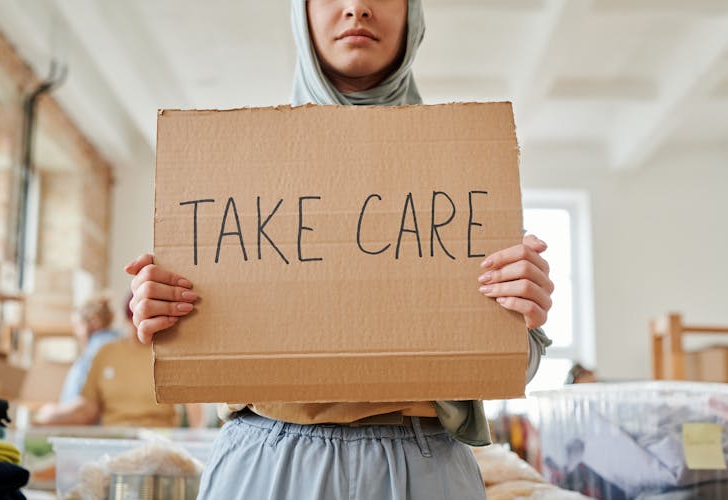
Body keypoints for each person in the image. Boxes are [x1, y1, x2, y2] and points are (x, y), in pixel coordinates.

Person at [126, 1, 554, 498]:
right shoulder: (233, 172)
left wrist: (522, 313)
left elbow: (510, 368)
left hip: (425, 465)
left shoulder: (469, 176)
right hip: (262, 463)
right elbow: (196, 348)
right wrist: (163, 310)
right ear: (301, 12)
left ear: (413, 15)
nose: (357, 8)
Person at [34, 294, 179, 427]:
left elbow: (192, 404)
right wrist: (51, 416)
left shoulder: (171, 354)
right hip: (115, 441)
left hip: (161, 441)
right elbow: (87, 410)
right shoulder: (106, 353)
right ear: (127, 319)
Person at [58, 296, 120, 404]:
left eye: (78, 325)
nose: (76, 332)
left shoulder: (95, 352)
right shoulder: (120, 342)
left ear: (94, 323)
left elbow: (79, 396)